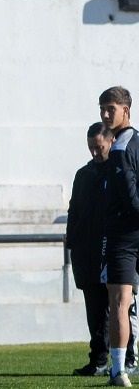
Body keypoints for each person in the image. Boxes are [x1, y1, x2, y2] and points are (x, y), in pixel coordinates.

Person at [66, 122, 137, 376]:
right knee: (95, 309)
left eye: (99, 147)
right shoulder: (83, 175)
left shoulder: (118, 171)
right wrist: (71, 239)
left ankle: (128, 359)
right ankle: (98, 360)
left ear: (108, 142)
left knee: (121, 304)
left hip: (115, 247)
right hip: (87, 250)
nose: (95, 153)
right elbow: (74, 210)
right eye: (91, 148)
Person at [100, 86, 139, 387]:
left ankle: (118, 370)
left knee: (119, 300)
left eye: (110, 108)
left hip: (124, 233)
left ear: (126, 109)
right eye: (102, 108)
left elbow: (128, 195)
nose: (104, 114)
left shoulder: (119, 148)